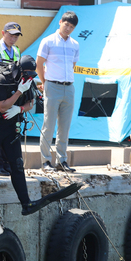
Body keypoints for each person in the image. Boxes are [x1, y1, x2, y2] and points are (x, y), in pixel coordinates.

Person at [0, 55, 80, 236]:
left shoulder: (27, 81)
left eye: (32, 74)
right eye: (27, 73)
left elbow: (31, 103)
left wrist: (20, 108)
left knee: (17, 167)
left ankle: (26, 203)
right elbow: (2, 107)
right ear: (19, 70)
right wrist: (18, 94)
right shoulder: (1, 79)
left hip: (11, 129)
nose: (29, 77)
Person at [36, 11, 80, 173]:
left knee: (65, 126)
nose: (68, 28)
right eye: (66, 24)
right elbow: (39, 64)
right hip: (52, 85)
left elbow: (72, 66)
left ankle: (62, 160)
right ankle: (46, 161)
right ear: (60, 22)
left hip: (69, 87)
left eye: (71, 26)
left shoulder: (74, 44)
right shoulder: (48, 41)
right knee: (49, 124)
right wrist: (45, 82)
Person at [0, 21, 24, 177]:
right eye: (11, 35)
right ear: (3, 33)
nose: (13, 38)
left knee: (9, 131)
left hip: (11, 94)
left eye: (16, 36)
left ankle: (6, 164)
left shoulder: (16, 50)